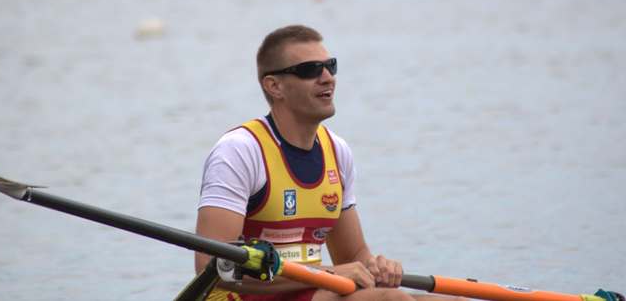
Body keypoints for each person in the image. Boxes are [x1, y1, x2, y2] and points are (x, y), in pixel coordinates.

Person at [195, 25, 464, 301]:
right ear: (274, 86)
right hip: (238, 297)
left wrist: (378, 267)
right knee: (390, 300)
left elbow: (352, 258)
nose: (327, 78)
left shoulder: (336, 151)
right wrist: (330, 273)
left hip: (307, 292)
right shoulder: (240, 151)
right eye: (310, 70)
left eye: (330, 66)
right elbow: (215, 268)